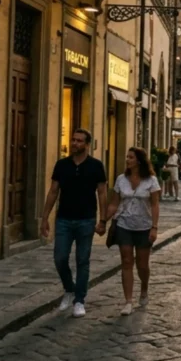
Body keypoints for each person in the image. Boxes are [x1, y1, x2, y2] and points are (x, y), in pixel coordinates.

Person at [40, 129, 107, 319]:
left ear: (87, 145)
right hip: (63, 219)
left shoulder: (96, 166)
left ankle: (79, 300)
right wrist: (45, 218)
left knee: (82, 260)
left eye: (79, 141)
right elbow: (53, 192)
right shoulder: (62, 165)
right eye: (73, 140)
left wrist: (102, 221)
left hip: (86, 219)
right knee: (60, 258)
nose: (74, 143)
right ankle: (69, 289)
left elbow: (102, 193)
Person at [105, 147, 160, 315]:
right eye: (127, 157)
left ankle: (144, 288)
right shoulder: (121, 179)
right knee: (126, 261)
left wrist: (154, 227)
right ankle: (128, 301)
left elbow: (155, 205)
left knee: (142, 265)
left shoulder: (151, 180)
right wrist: (103, 221)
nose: (127, 160)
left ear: (139, 160)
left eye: (130, 157)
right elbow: (115, 203)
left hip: (144, 226)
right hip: (124, 225)